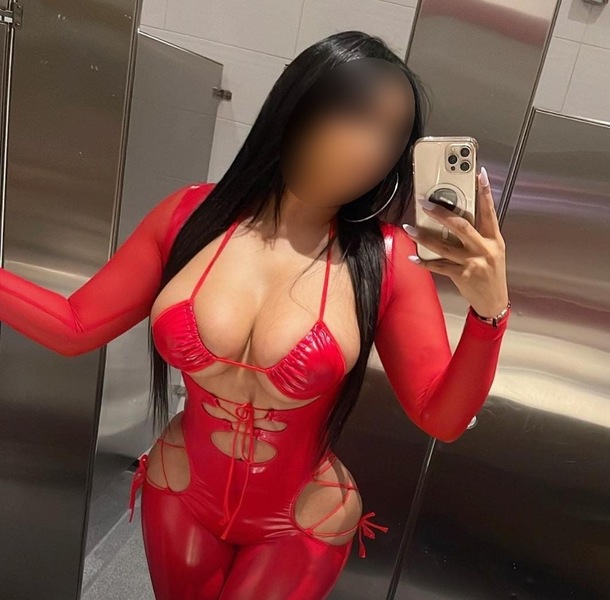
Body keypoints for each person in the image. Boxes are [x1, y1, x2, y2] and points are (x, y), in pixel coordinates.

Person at [0, 31, 511, 600]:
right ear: (299, 107)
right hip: (179, 492)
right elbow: (75, 327)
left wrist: (489, 312)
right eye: (358, 117)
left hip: (301, 520)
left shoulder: (388, 260)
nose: (373, 148)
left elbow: (441, 418)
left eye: (392, 134)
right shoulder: (189, 215)